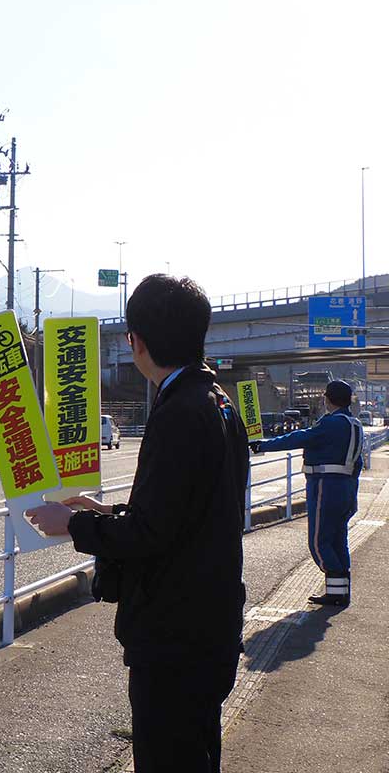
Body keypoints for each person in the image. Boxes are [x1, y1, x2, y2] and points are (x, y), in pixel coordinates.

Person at [24, 275, 247, 773]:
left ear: (137, 342)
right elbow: (185, 514)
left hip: (174, 633)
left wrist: (74, 525)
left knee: (169, 756)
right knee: (197, 751)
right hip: (209, 620)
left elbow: (151, 533)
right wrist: (103, 513)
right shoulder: (217, 401)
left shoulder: (178, 413)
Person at [252, 380, 363, 606]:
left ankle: (335, 585)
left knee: (319, 542)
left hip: (325, 485)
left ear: (327, 399)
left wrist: (263, 445)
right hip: (347, 487)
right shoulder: (355, 424)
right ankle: (339, 593)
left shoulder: (332, 423)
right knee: (338, 539)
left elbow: (299, 438)